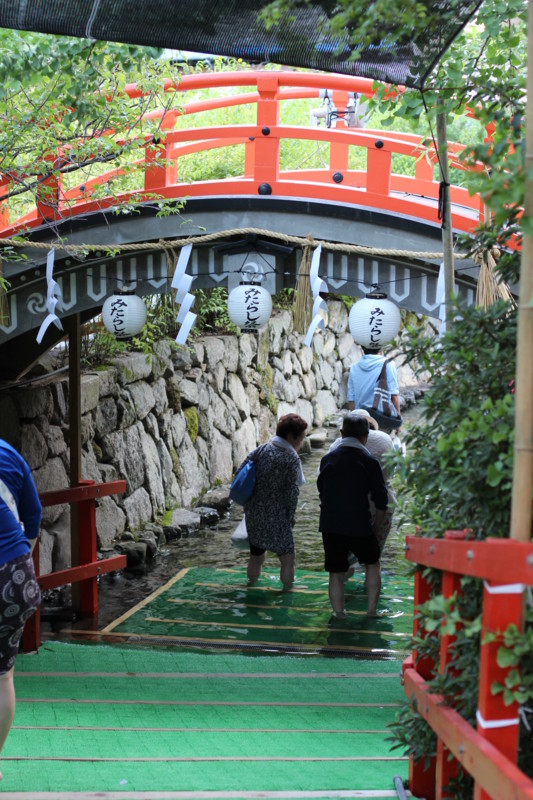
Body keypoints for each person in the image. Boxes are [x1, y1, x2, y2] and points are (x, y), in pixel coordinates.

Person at [317, 414, 388, 618]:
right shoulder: (369, 462)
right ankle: (371, 611)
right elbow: (382, 502)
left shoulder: (327, 459)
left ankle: (339, 613)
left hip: (331, 525)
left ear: (341, 434)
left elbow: (322, 490)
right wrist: (375, 529)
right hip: (360, 524)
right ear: (366, 437)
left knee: (336, 573)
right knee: (373, 564)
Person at [0, 439, 42, 780]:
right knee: (2, 677)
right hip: (15, 578)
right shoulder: (9, 453)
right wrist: (19, 562)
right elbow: (34, 517)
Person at [240, 413, 308, 590]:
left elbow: (241, 473)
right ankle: (287, 591)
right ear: (291, 437)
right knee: (288, 558)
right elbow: (293, 493)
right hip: (277, 517)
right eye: (301, 437)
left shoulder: (260, 450)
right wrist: (291, 516)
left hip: (253, 514)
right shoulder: (291, 458)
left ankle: (251, 586)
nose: (302, 441)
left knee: (256, 557)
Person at [347, 346, 401, 430]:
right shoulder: (388, 364)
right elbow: (394, 396)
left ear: (362, 348)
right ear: (380, 349)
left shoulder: (354, 367)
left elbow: (351, 401)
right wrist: (398, 424)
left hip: (361, 423)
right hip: (382, 420)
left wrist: (355, 425)